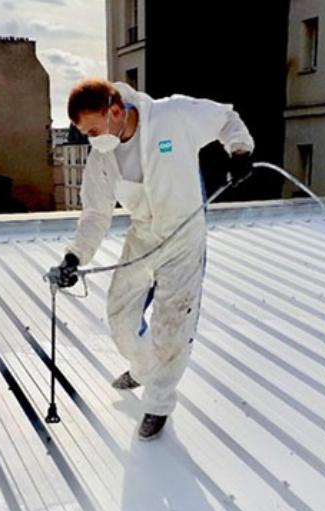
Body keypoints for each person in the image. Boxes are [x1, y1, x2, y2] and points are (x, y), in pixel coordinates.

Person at [54, 78, 254, 441]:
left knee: (171, 326)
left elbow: (226, 118)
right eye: (86, 134)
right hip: (144, 235)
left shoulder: (172, 115)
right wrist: (74, 257)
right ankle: (145, 369)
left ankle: (159, 404)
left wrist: (240, 152)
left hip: (184, 234)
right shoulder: (102, 158)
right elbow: (95, 215)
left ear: (115, 110)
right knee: (120, 317)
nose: (92, 139)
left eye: (94, 129)